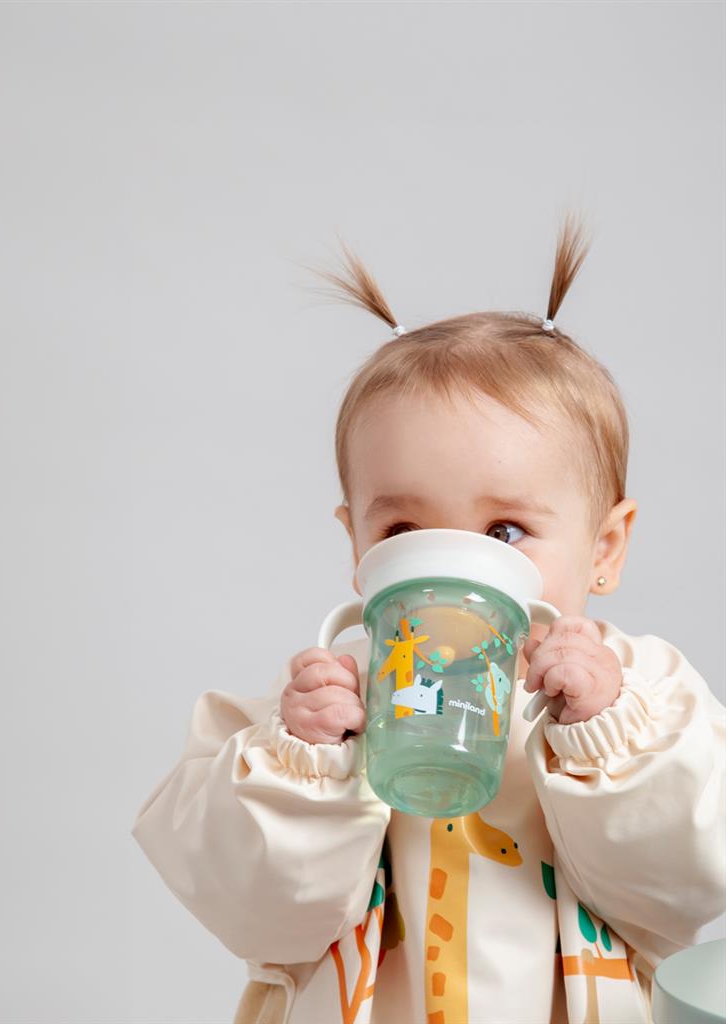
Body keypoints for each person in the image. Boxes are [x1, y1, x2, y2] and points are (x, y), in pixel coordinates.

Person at [132, 216, 726, 1024]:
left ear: (604, 548)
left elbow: (688, 885)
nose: (452, 568)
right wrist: (306, 766)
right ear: (357, 546)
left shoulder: (644, 703)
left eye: (503, 532)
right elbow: (254, 913)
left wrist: (604, 734)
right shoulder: (316, 714)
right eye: (404, 530)